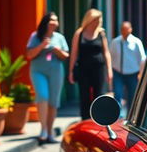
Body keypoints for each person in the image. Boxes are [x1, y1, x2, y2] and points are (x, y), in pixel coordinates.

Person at [26, 12, 69, 145]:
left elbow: (65, 56)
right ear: (45, 22)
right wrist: (42, 46)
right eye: (51, 20)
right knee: (42, 96)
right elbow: (29, 55)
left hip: (55, 71)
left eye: (56, 20)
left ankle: (50, 132)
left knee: (53, 101)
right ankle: (43, 129)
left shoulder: (59, 37)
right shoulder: (35, 36)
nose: (54, 23)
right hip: (38, 71)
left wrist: (56, 50)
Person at [69, 9, 112, 120]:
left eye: (99, 19)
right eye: (95, 20)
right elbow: (74, 53)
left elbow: (106, 52)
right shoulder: (80, 33)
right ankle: (85, 119)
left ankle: (98, 119)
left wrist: (109, 70)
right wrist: (71, 71)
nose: (97, 22)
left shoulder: (101, 33)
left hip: (99, 68)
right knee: (85, 95)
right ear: (89, 20)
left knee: (99, 94)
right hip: (83, 69)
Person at [110, 21, 146, 110]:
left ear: (130, 30)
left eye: (126, 29)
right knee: (117, 95)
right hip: (118, 72)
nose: (124, 32)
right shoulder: (115, 42)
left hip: (133, 73)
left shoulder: (136, 42)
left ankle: (129, 116)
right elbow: (111, 56)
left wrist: (141, 73)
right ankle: (117, 116)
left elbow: (142, 59)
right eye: (122, 29)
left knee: (132, 96)